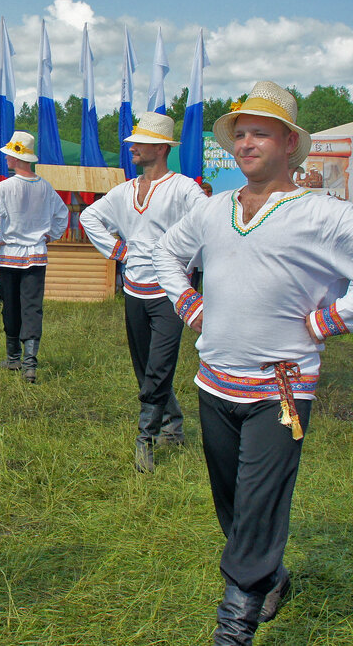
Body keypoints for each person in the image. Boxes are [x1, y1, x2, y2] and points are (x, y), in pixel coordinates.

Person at [151, 81, 353, 645]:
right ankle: (268, 574)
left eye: (261, 133)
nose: (247, 143)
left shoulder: (322, 215)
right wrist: (185, 300)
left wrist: (334, 319)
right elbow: (162, 250)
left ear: (288, 144)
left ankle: (234, 627)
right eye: (241, 134)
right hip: (214, 381)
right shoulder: (214, 209)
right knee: (231, 502)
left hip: (281, 389)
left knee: (259, 501)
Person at [81, 111, 207, 473]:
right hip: (134, 290)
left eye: (139, 142)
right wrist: (118, 250)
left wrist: (186, 262)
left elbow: (207, 224)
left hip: (171, 292)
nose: (132, 147)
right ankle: (173, 425)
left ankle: (145, 438)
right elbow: (90, 217)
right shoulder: (124, 191)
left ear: (161, 147)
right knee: (144, 367)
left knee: (160, 364)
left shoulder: (183, 188)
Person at [0, 131, 68, 383]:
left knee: (11, 305)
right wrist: (50, 236)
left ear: (16, 158)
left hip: (9, 256)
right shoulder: (45, 187)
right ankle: (29, 364)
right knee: (32, 307)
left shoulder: (4, 188)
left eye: (9, 155)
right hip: (36, 255)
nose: (5, 159)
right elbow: (62, 214)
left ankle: (14, 357)